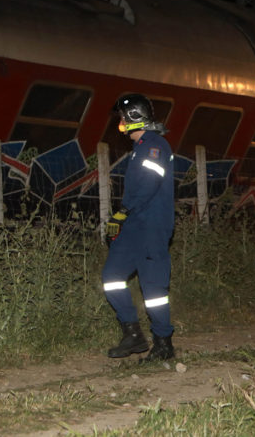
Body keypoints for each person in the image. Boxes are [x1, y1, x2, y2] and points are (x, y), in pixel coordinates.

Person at [102, 94, 176, 361]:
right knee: (112, 277)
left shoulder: (154, 146)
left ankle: (163, 342)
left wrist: (122, 212)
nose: (120, 123)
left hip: (151, 227)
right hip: (134, 226)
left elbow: (147, 185)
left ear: (134, 117)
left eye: (123, 118)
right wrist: (123, 221)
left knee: (153, 289)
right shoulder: (141, 148)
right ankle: (133, 335)